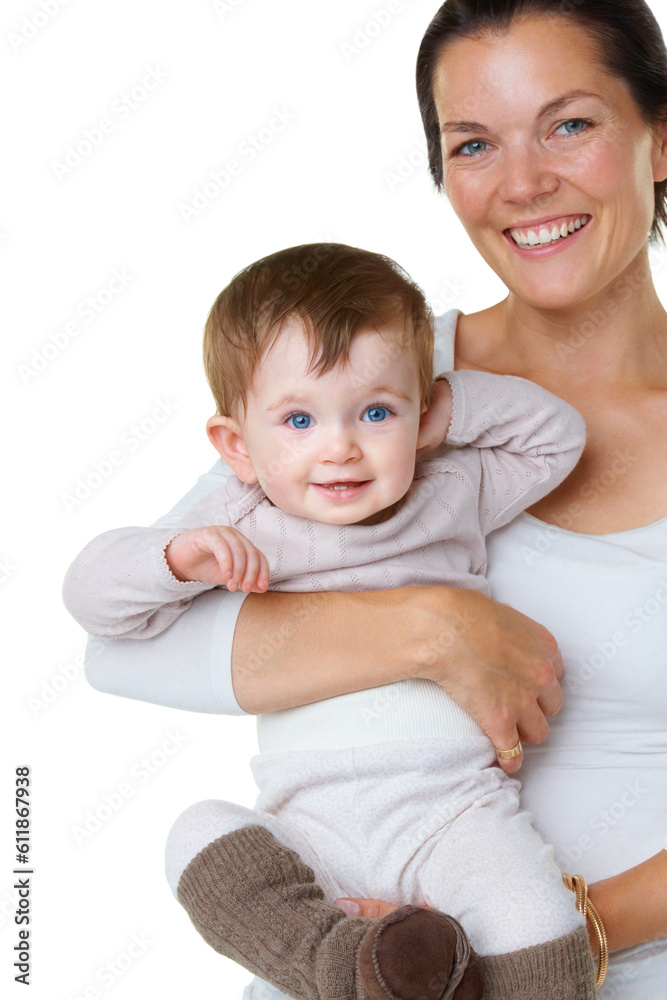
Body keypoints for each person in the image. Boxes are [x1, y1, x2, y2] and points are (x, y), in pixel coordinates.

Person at [72, 0, 667, 997]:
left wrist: (520, 937)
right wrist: (429, 625)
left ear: (658, 139)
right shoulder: (358, 393)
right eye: (473, 142)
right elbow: (125, 644)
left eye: (570, 123)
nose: (523, 182)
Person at [63, 240, 594, 1000]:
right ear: (236, 447)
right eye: (299, 420)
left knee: (534, 916)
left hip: (450, 807)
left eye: (375, 411)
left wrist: (445, 404)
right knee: (197, 833)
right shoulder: (239, 520)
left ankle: (408, 969)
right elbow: (93, 605)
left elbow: (557, 435)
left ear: (425, 414)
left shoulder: (452, 488)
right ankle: (336, 964)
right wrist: (175, 559)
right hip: (307, 825)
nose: (340, 447)